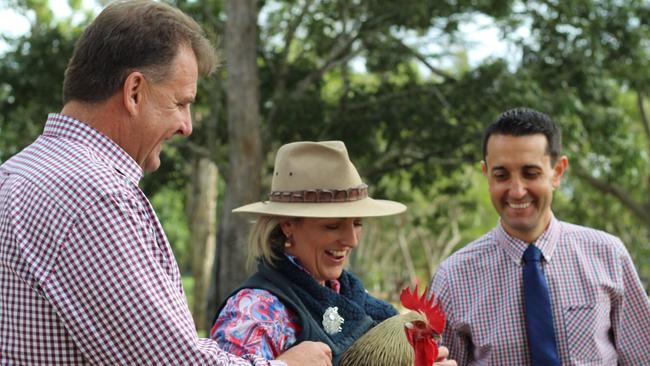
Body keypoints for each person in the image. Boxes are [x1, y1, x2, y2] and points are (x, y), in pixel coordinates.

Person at [0, 1, 331, 365]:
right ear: (134, 92)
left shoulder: (15, 174)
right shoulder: (96, 196)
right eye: (180, 103)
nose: (186, 126)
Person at [429, 107, 650, 365]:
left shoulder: (608, 254)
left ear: (557, 172)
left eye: (530, 173)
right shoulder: (454, 277)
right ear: (486, 174)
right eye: (501, 175)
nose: (517, 190)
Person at [210, 140, 456, 366]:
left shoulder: (354, 297)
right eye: (332, 226)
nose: (351, 240)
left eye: (357, 223)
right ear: (288, 225)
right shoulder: (256, 312)